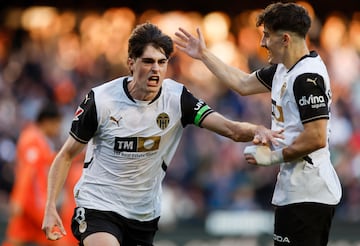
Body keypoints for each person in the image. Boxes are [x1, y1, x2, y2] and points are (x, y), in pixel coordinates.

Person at [41, 22, 282, 246]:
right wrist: (50, 206)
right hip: (99, 205)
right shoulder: (101, 100)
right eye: (148, 61)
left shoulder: (177, 99)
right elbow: (65, 156)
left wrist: (258, 130)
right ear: (131, 63)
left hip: (143, 214)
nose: (156, 69)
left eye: (162, 62)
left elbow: (230, 129)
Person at [174, 2, 342, 245]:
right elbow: (242, 84)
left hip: (309, 191)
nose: (262, 43)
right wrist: (203, 55)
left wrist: (274, 157)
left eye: (266, 36)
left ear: (285, 39)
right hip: (294, 189)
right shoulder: (284, 70)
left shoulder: (307, 77)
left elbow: (316, 137)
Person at [3, 102, 62, 246]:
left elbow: (45, 162)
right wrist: (18, 199)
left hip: (29, 202)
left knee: (14, 240)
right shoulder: (32, 139)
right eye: (57, 124)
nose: (58, 128)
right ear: (48, 121)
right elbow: (27, 171)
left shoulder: (38, 139)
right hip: (33, 202)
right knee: (56, 237)